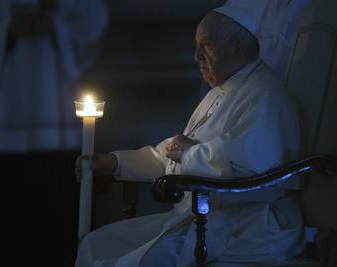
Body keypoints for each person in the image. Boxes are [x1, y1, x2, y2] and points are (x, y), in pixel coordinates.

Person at [75, 4, 305, 267]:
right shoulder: (222, 90)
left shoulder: (264, 97)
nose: (197, 56)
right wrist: (117, 163)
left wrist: (189, 153)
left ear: (237, 46)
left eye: (206, 46)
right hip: (199, 220)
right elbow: (174, 155)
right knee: (95, 244)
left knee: (140, 263)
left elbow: (246, 169)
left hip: (247, 226)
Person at [0, 0, 108, 265]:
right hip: (5, 114)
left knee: (58, 222)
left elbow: (93, 18)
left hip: (58, 116)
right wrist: (6, 30)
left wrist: (56, 25)